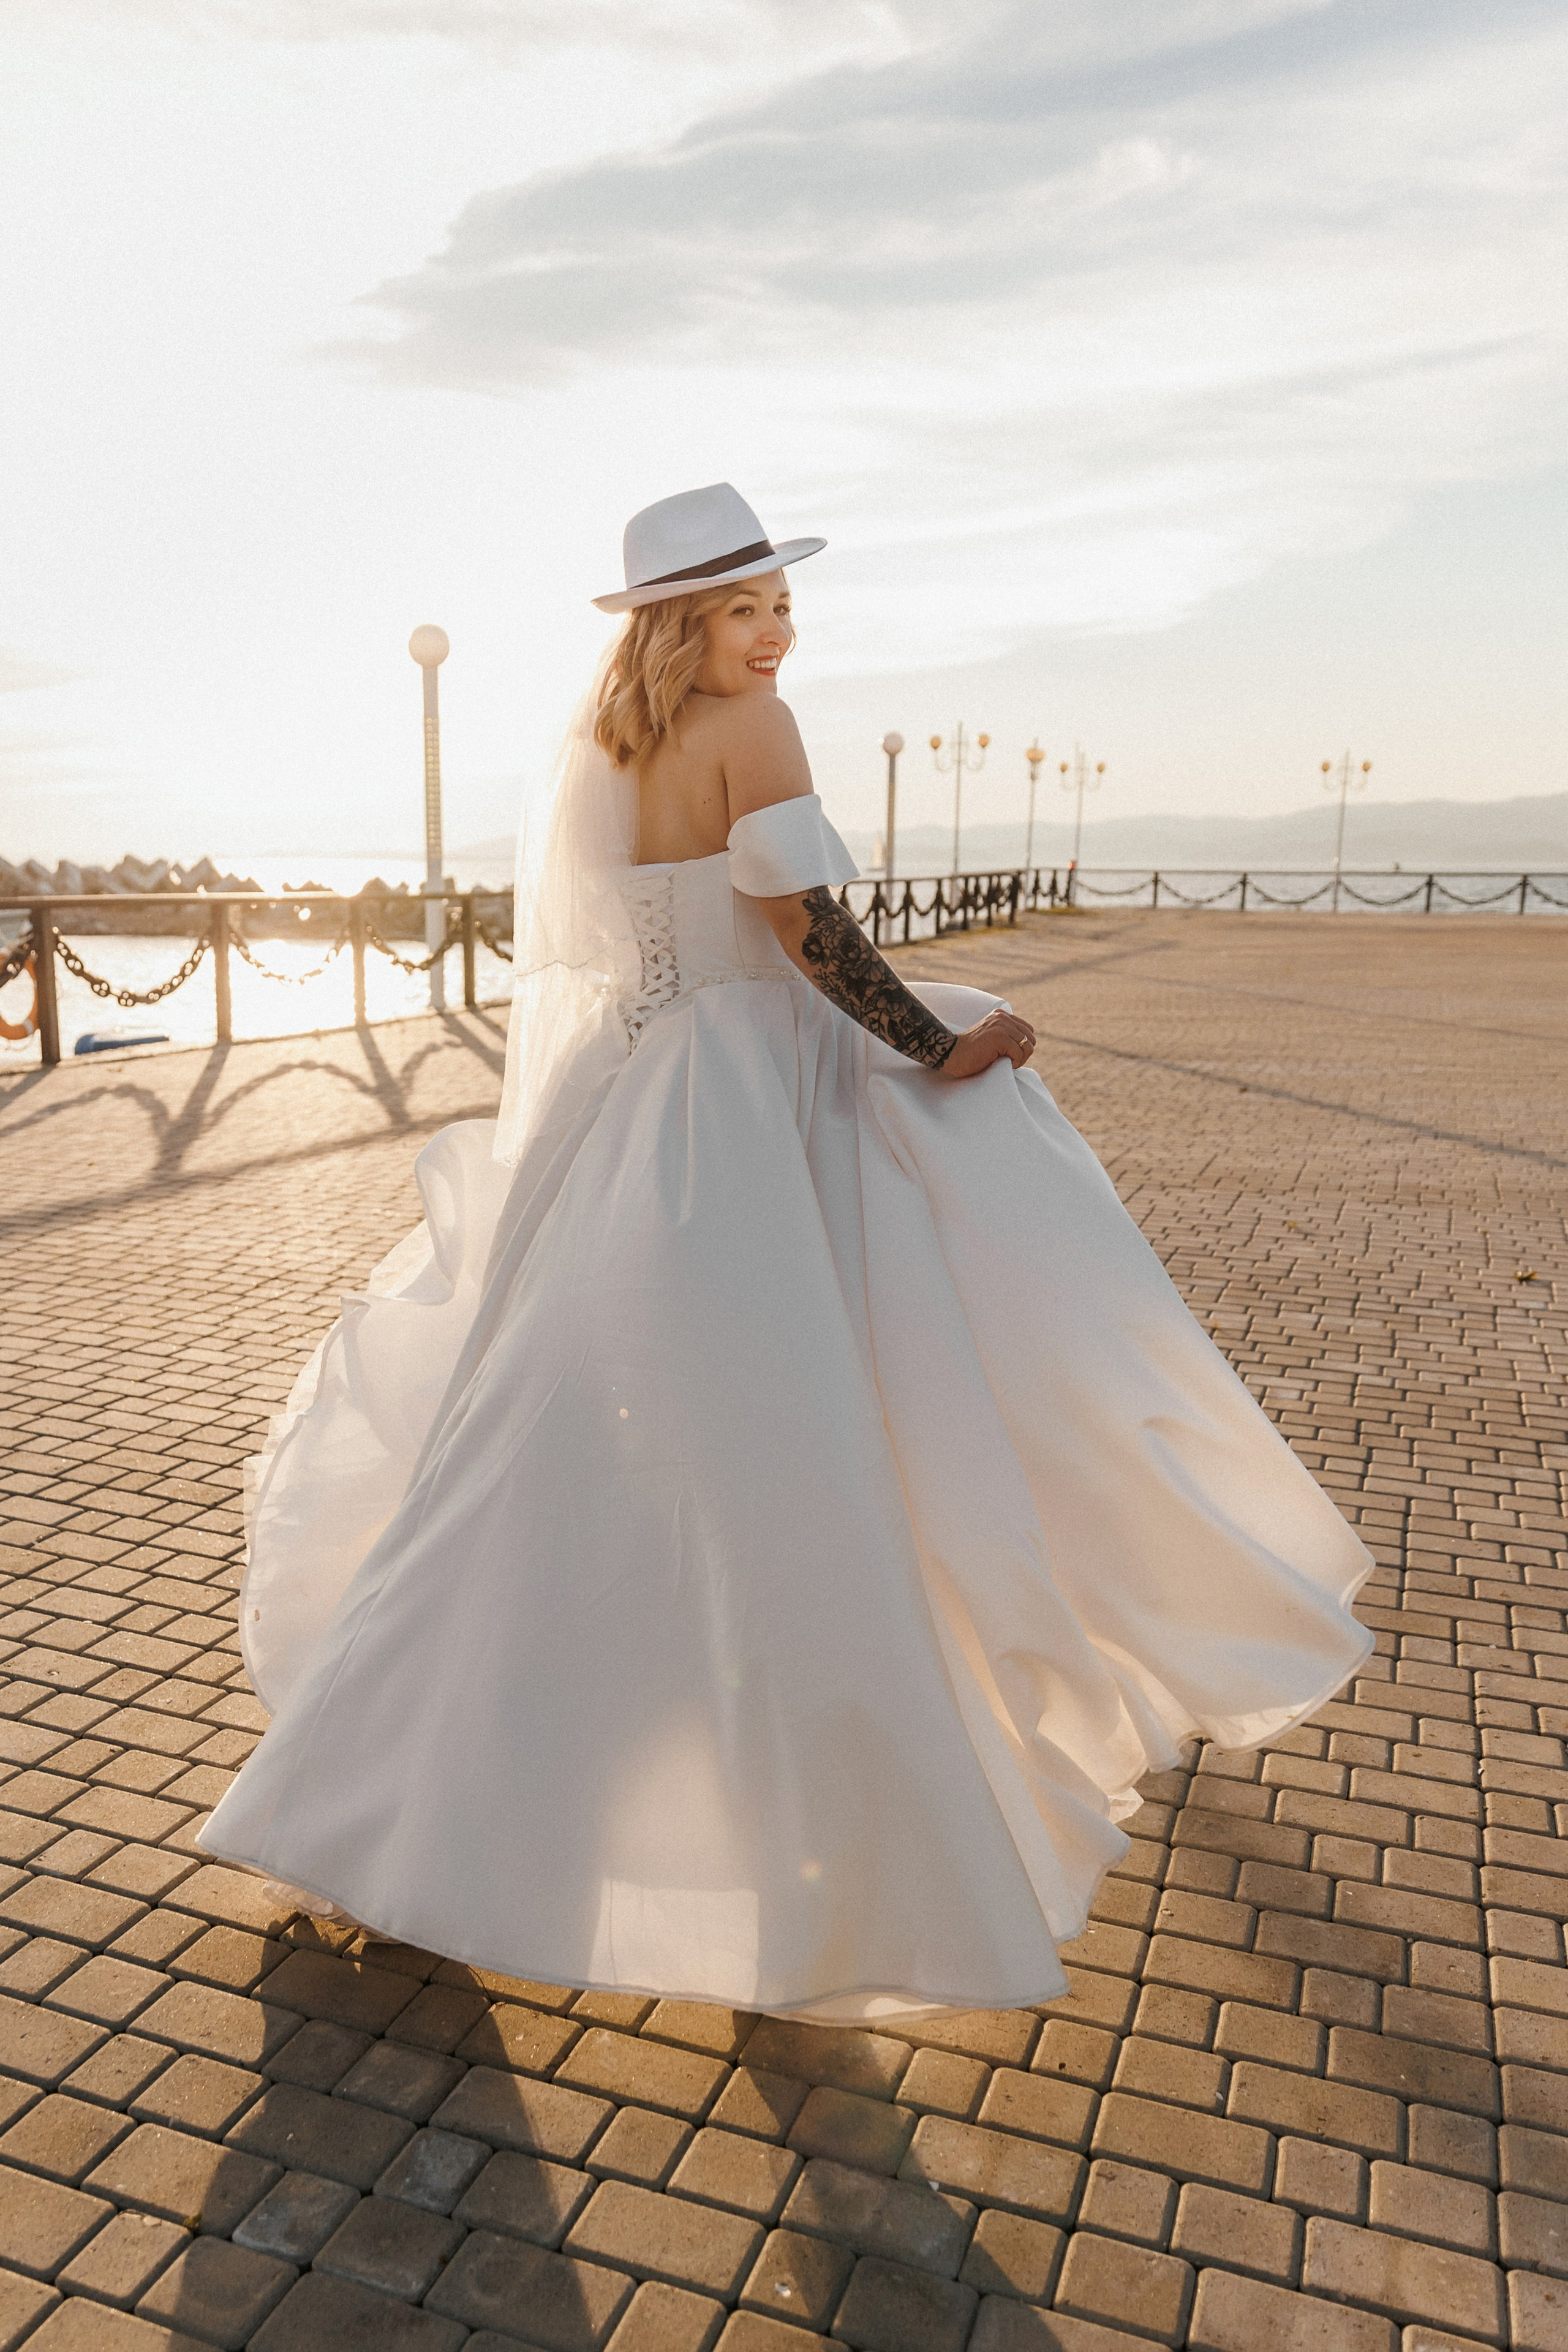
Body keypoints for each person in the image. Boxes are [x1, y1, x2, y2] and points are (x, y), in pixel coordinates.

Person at [200, 483, 1371, 2020]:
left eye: (780, 607)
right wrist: (931, 1047)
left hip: (637, 1107)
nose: (777, 632)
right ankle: (818, 1854)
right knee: (805, 1453)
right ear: (686, 623)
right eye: (748, 608)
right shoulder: (761, 728)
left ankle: (382, 1804)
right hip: (753, 1109)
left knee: (542, 1461)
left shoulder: (604, 751)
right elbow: (807, 929)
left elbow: (631, 949)